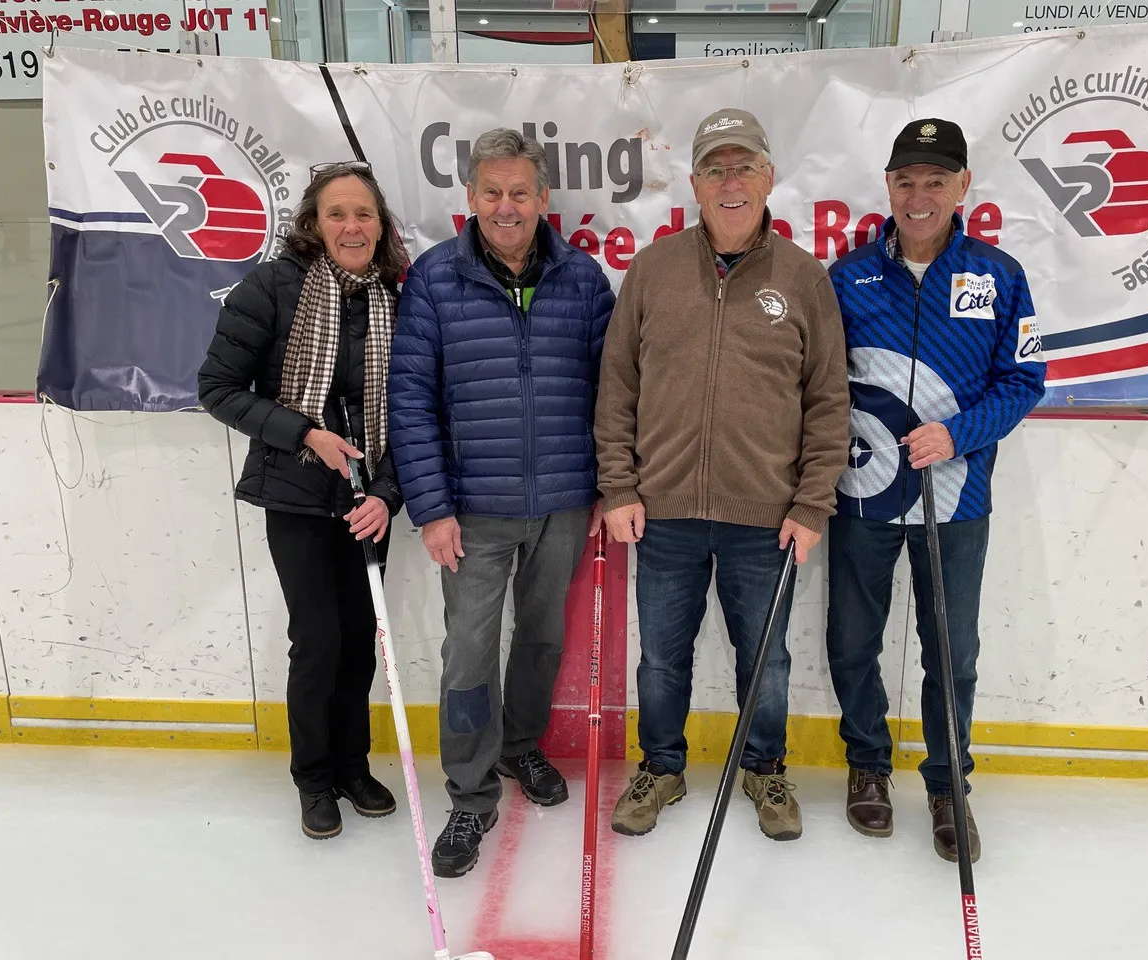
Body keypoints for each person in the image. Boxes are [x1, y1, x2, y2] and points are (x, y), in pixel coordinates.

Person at [595, 108, 850, 842]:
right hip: (664, 512)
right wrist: (619, 487)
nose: (730, 182)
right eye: (715, 169)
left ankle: (764, 768)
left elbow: (828, 401)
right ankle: (662, 767)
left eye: (743, 168)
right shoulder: (652, 270)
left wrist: (811, 504)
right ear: (695, 183)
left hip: (766, 519)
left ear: (769, 178)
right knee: (660, 661)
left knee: (767, 662)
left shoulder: (803, 278)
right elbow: (617, 387)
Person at [388, 128, 615, 878]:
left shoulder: (583, 281)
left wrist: (608, 487)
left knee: (543, 638)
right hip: (471, 510)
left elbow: (612, 395)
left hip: (562, 502)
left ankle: (520, 747)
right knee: (469, 652)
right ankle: (469, 791)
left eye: (520, 192)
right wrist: (432, 507)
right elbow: (410, 403)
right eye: (493, 192)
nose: (506, 206)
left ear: (544, 198)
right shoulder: (433, 281)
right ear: (471, 197)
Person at [825, 118, 1047, 862]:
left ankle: (949, 784)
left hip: (957, 501)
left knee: (951, 653)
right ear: (888, 187)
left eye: (936, 180)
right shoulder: (847, 276)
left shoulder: (1000, 275)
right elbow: (818, 382)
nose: (918, 195)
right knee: (852, 642)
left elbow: (1025, 380)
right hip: (862, 496)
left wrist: (958, 434)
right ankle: (867, 764)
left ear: (963, 187)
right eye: (905, 180)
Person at [198, 161, 412, 840]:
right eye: (337, 213)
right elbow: (218, 389)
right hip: (295, 495)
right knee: (317, 642)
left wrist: (387, 495)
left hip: (366, 504)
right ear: (314, 224)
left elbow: (414, 411)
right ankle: (314, 779)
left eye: (364, 214)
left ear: (380, 225)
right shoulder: (271, 288)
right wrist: (305, 434)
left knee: (359, 641)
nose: (352, 226)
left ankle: (353, 767)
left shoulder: (395, 297)